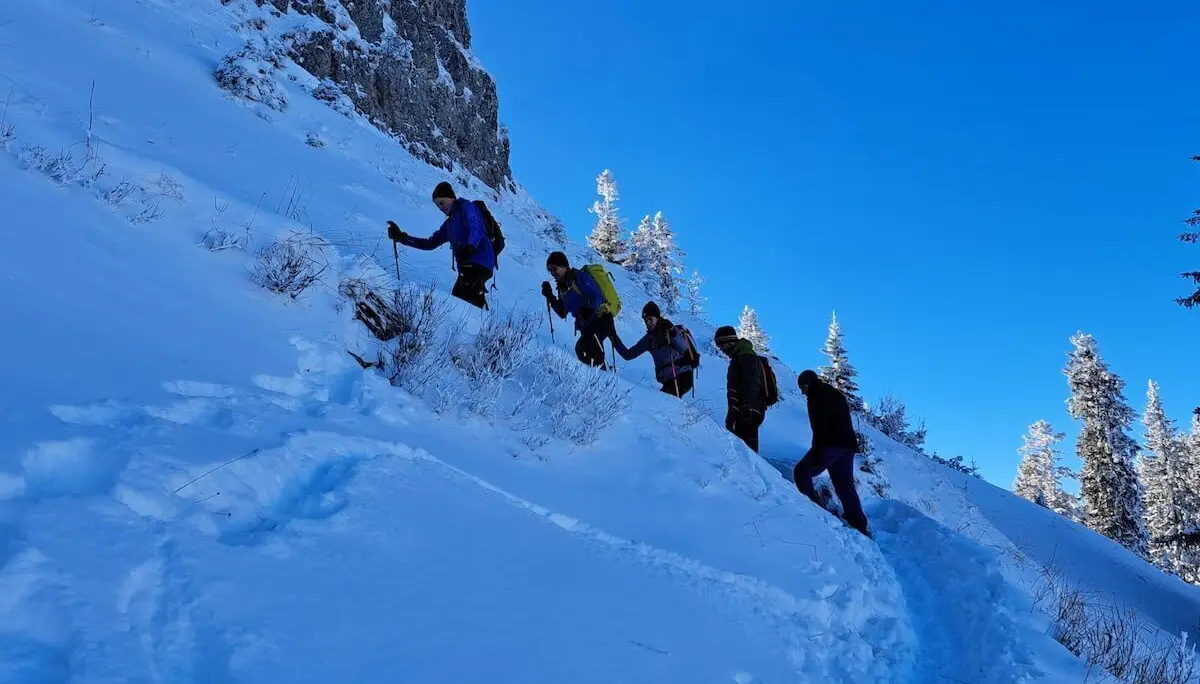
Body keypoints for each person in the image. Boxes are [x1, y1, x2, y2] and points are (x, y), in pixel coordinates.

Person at [386, 181, 495, 309]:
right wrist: (401, 237)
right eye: (438, 205)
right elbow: (430, 243)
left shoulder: (467, 207)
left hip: (479, 262)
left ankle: (475, 326)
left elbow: (475, 226)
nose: (441, 207)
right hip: (467, 265)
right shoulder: (449, 225)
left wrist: (470, 247)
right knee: (459, 300)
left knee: (464, 301)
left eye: (442, 202)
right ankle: (479, 325)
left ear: (451, 198)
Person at [792, 369, 870, 537]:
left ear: (809, 384)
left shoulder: (817, 396)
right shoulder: (831, 393)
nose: (802, 392)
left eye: (803, 387)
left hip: (830, 445)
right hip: (846, 446)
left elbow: (822, 425)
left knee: (801, 472)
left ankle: (813, 508)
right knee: (844, 485)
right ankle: (859, 525)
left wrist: (818, 449)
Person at [542, 251, 614, 368]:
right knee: (583, 351)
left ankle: (604, 377)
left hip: (601, 320)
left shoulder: (580, 277)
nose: (553, 273)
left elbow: (598, 297)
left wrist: (588, 310)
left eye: (555, 269)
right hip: (586, 326)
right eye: (550, 270)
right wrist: (549, 295)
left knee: (586, 349)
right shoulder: (562, 288)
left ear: (564, 266)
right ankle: (603, 376)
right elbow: (562, 312)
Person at [611, 302, 695, 398]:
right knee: (665, 406)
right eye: (645, 320)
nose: (647, 322)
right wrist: (613, 336)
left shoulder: (669, 329)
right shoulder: (649, 338)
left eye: (650, 319)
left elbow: (683, 347)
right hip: (669, 381)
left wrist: (673, 332)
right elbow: (628, 354)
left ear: (657, 318)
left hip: (682, 376)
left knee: (664, 404)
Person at [713, 325, 766, 452]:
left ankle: (750, 472)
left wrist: (748, 406)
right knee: (744, 447)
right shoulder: (741, 356)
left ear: (729, 341)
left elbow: (752, 381)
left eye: (721, 345)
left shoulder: (746, 356)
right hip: (745, 409)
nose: (721, 349)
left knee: (746, 449)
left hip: (748, 410)